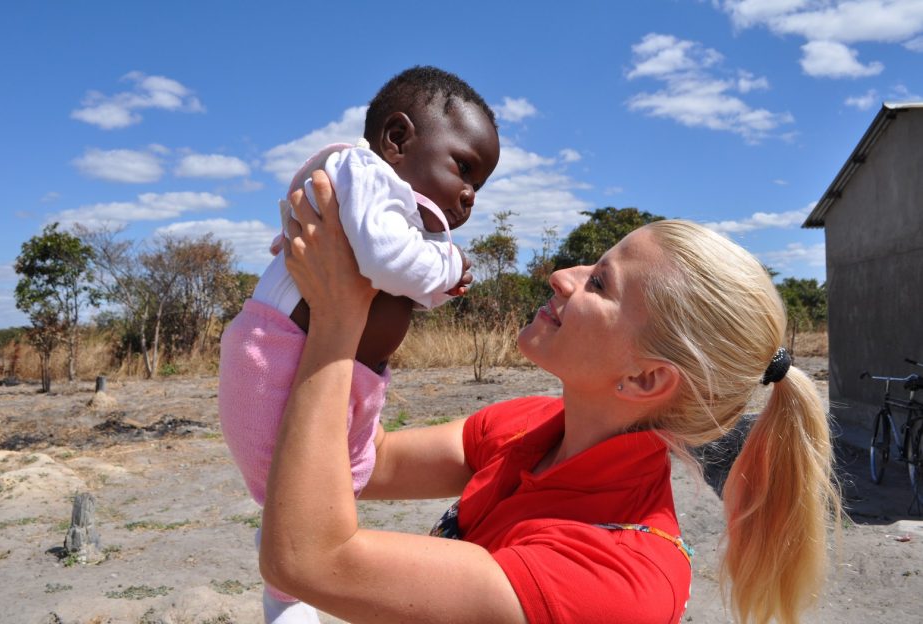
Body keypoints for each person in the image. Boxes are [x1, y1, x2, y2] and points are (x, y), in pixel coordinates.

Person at [260, 172, 841, 624]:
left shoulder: (619, 575)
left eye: (599, 284)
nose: (563, 275)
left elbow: (308, 559)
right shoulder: (535, 424)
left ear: (643, 380)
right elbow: (374, 462)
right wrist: (331, 302)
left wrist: (338, 321)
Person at [218, 66, 499, 623]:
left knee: (318, 503)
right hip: (278, 369)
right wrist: (448, 265)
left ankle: (286, 578)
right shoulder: (363, 172)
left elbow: (400, 283)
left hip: (335, 376)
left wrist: (436, 280)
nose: (468, 195)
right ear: (397, 140)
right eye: (464, 168)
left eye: (479, 186)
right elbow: (382, 261)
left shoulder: (389, 211)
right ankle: (287, 582)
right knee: (305, 508)